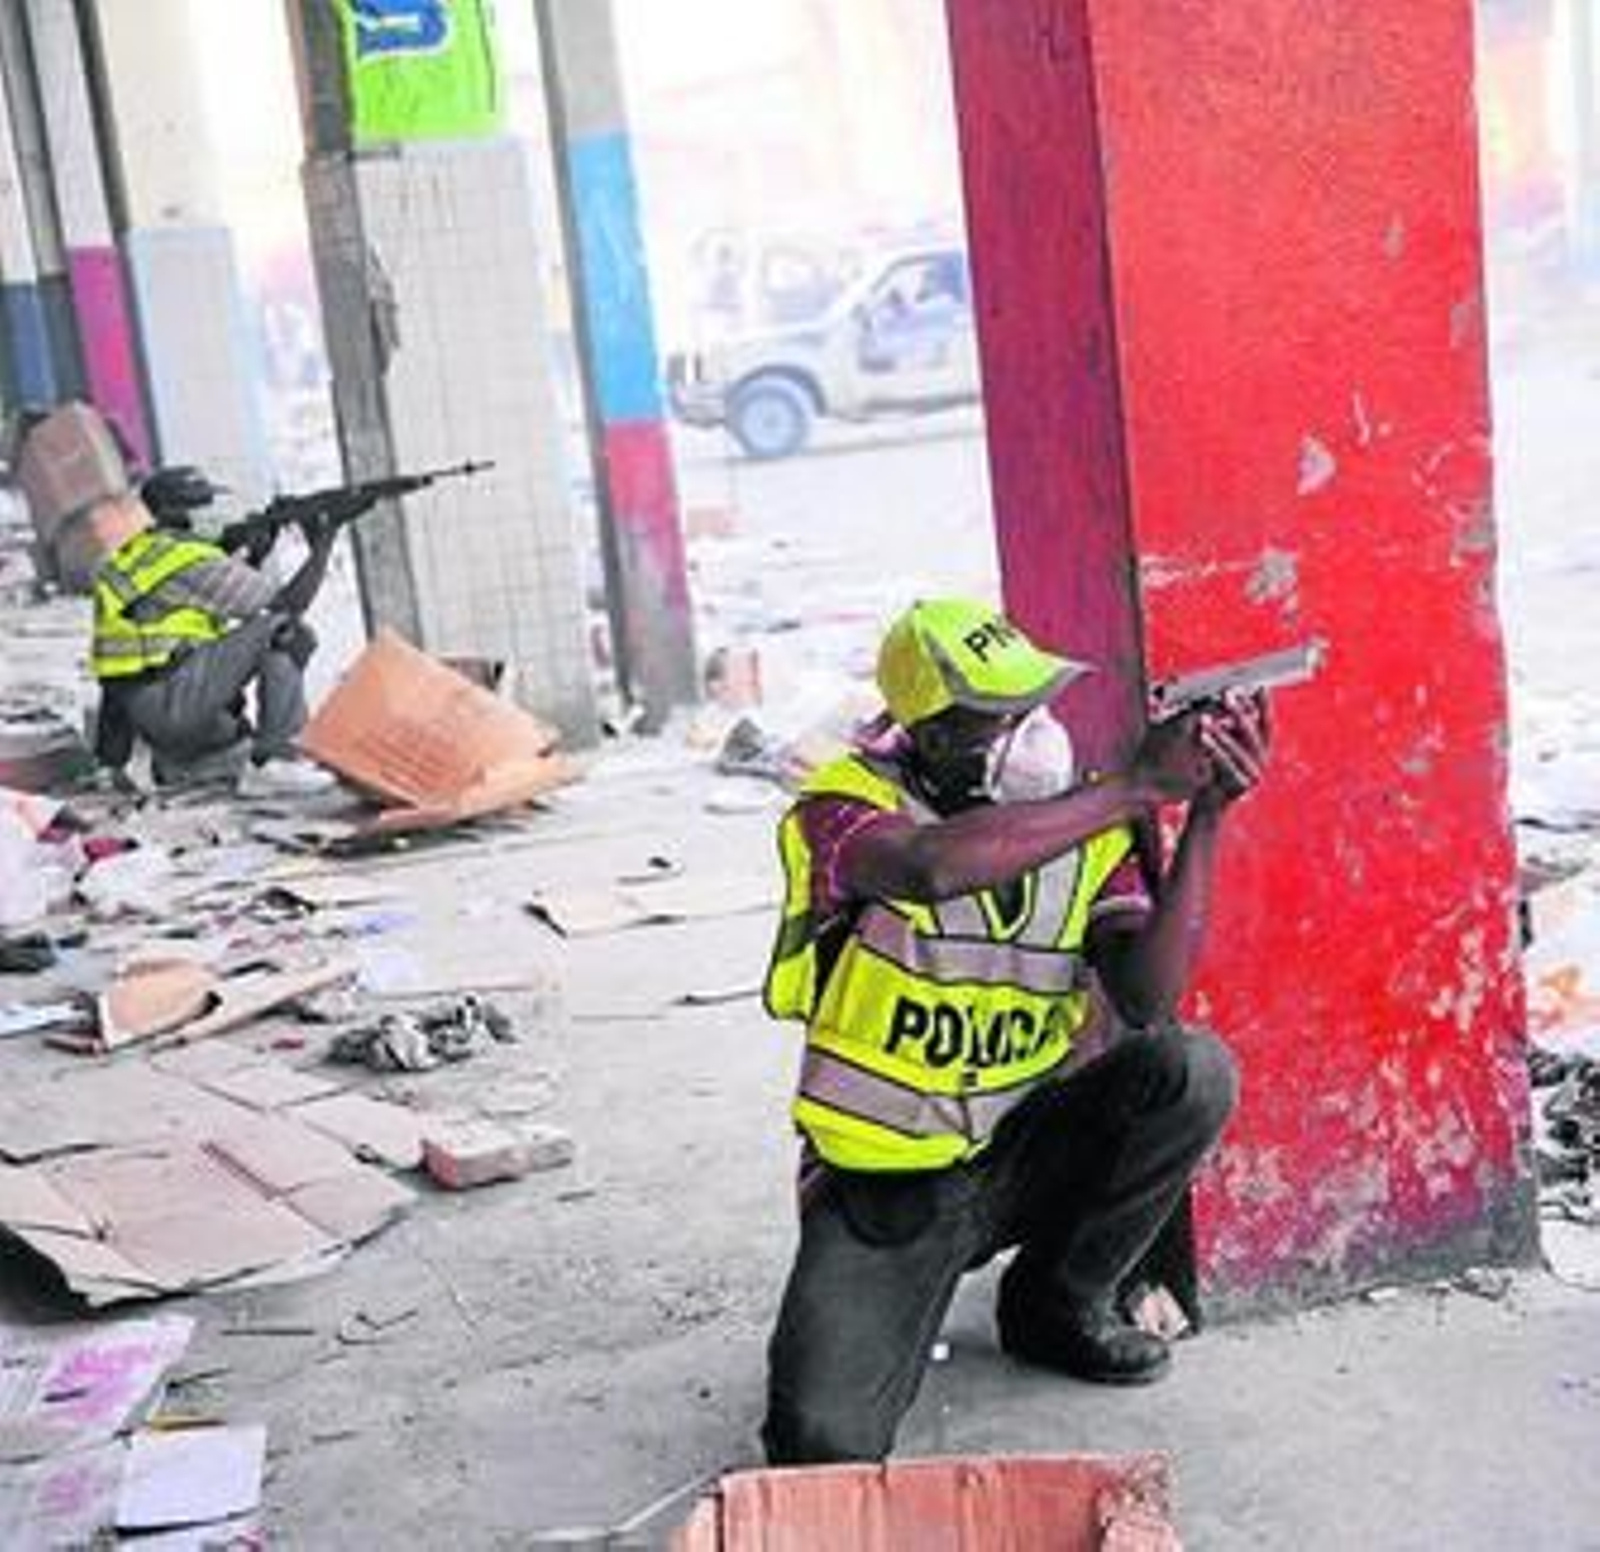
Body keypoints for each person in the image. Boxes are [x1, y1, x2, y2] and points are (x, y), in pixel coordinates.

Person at [760, 596, 1271, 1465]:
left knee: (1190, 1071)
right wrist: (1134, 787)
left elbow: (1147, 995)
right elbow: (928, 868)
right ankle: (895, 1300)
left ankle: (1055, 1305)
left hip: (1022, 1147)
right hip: (886, 1184)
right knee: (820, 1445)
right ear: (930, 734)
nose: (1031, 732)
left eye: (1033, 705)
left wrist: (1207, 816)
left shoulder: (1081, 825)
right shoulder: (845, 808)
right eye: (996, 717)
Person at [90, 499, 340, 797]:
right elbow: (289, 603)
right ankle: (277, 761)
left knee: (236, 740)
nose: (215, 509)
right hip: (176, 703)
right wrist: (324, 541)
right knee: (286, 632)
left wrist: (110, 760)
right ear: (180, 513)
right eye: (205, 501)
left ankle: (192, 766)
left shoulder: (139, 558)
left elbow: (117, 669)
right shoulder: (189, 560)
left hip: (152, 716)